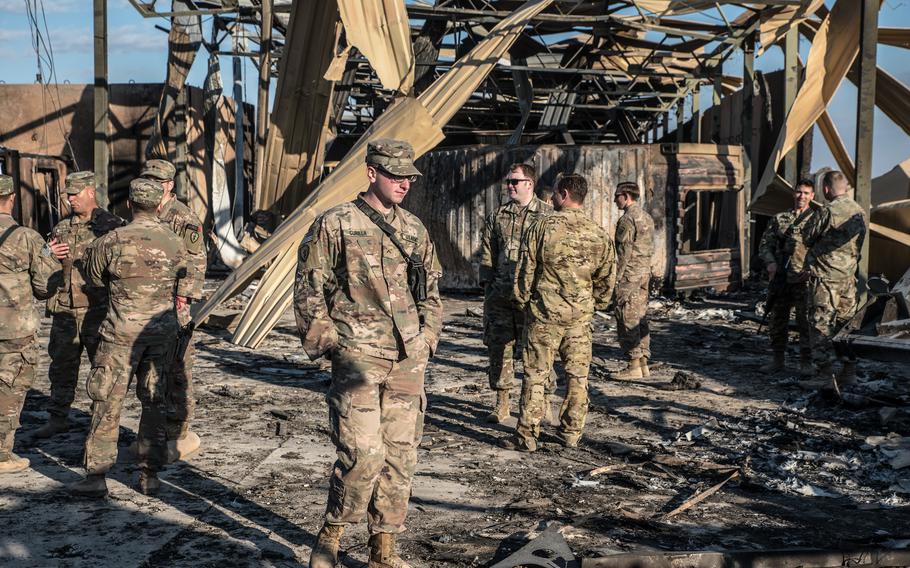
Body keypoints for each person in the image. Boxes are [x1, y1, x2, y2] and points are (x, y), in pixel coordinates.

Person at [295, 139, 443, 568]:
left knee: (401, 455)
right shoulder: (335, 223)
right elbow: (309, 288)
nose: (404, 183)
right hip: (358, 355)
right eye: (395, 175)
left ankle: (384, 549)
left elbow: (432, 290)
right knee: (363, 455)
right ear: (371, 173)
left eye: (408, 176)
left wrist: (427, 339)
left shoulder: (414, 228)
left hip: (407, 358)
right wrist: (330, 345)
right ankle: (332, 533)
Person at [68, 178, 189, 497]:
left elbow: (93, 278)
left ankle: (96, 476)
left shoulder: (111, 240)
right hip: (160, 333)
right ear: (156, 204)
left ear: (130, 205)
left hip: (121, 333)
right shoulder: (175, 241)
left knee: (107, 400)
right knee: (154, 401)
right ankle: (149, 474)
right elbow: (182, 277)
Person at [501, 174, 615, 451]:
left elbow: (525, 271)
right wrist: (592, 304)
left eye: (554, 193)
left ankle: (527, 435)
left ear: (564, 194)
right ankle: (571, 433)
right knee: (577, 377)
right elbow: (607, 278)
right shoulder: (598, 232)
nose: (550, 198)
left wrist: (523, 301)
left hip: (545, 315)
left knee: (536, 374)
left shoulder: (541, 227)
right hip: (580, 319)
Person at [32, 171, 125, 439]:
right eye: (68, 194)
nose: (70, 199)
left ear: (90, 191)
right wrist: (48, 253)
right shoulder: (62, 228)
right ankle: (58, 417)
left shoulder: (111, 226)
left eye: (75, 194)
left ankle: (102, 424)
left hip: (98, 311)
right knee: (61, 367)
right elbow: (43, 264)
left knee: (103, 369)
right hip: (65, 310)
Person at [139, 159, 205, 460]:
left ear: (169, 185)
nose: (152, 183)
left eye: (157, 180)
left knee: (177, 367)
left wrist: (183, 299)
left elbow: (195, 262)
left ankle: (178, 430)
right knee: (151, 370)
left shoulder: (182, 217)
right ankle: (155, 429)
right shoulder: (145, 212)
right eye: (147, 178)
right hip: (149, 302)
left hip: (174, 304)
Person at [479, 163, 552, 424]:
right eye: (508, 181)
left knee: (538, 351)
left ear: (529, 184)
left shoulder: (548, 216)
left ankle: (543, 402)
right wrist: (488, 292)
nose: (510, 186)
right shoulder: (497, 216)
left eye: (515, 181)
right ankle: (501, 404)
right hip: (500, 296)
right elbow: (487, 255)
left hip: (534, 297)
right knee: (500, 348)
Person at [0, 174, 61, 473]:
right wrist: (49, 256)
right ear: (11, 199)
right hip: (15, 329)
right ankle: (2, 456)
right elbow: (44, 287)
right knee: (10, 388)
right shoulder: (26, 237)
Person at [800, 170, 867, 387]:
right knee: (845, 325)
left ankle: (824, 375)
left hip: (825, 279)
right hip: (848, 280)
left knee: (820, 324)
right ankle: (849, 372)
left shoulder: (827, 210)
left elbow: (808, 237)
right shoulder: (859, 211)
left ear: (826, 189)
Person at [757, 178, 818, 376]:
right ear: (794, 193)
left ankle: (806, 363)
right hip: (781, 278)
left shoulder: (817, 220)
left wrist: (811, 270)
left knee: (805, 322)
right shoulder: (780, 219)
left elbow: (823, 250)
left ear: (812, 196)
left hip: (802, 279)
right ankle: (777, 360)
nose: (802, 196)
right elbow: (765, 244)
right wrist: (771, 263)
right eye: (799, 192)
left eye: (806, 193)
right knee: (777, 319)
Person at [612, 182, 655, 379]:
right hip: (644, 272)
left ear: (626, 196)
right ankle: (643, 362)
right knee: (640, 315)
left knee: (626, 315)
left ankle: (633, 364)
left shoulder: (627, 220)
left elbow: (623, 253)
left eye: (617, 196)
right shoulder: (646, 217)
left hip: (629, 275)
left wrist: (615, 279)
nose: (615, 200)